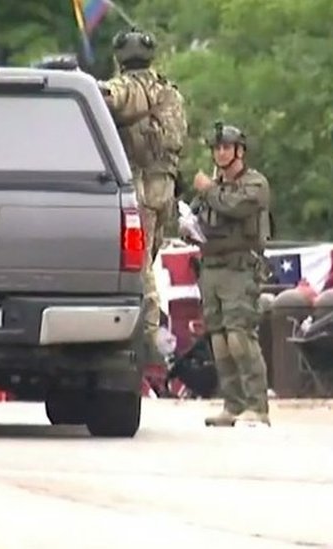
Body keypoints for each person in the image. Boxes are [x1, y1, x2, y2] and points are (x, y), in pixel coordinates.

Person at [98, 28, 188, 359]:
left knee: (138, 265)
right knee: (147, 257)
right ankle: (148, 328)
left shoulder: (130, 87)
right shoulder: (168, 91)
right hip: (166, 187)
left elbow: (108, 98)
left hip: (142, 185)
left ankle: (151, 332)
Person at [191, 123, 272, 427]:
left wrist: (209, 190)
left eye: (226, 147)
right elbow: (200, 215)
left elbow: (235, 206)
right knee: (220, 340)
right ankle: (233, 404)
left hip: (240, 269)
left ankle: (257, 406)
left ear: (239, 150)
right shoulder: (213, 187)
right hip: (211, 268)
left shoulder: (254, 184)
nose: (221, 152)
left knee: (240, 337)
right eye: (217, 148)